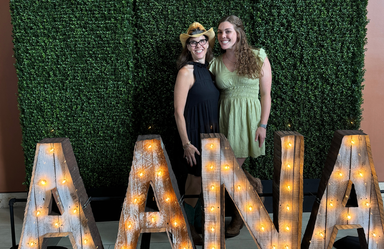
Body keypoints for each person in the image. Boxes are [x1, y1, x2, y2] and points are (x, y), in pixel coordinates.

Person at [209, 15, 272, 238]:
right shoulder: (215, 62)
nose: (223, 36)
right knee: (228, 170)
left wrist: (262, 125)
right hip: (224, 119)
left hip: (249, 120)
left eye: (227, 31)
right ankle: (253, 186)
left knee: (230, 171)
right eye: (219, 32)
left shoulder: (258, 56)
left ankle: (237, 217)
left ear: (238, 33)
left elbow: (266, 95)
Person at [174, 22, 219, 245]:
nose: (199, 45)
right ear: (188, 47)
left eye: (202, 41)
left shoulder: (211, 71)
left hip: (212, 138)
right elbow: (178, 112)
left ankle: (200, 224)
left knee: (207, 183)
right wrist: (186, 144)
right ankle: (187, 227)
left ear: (207, 44)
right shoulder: (186, 71)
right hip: (194, 136)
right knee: (194, 181)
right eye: (193, 42)